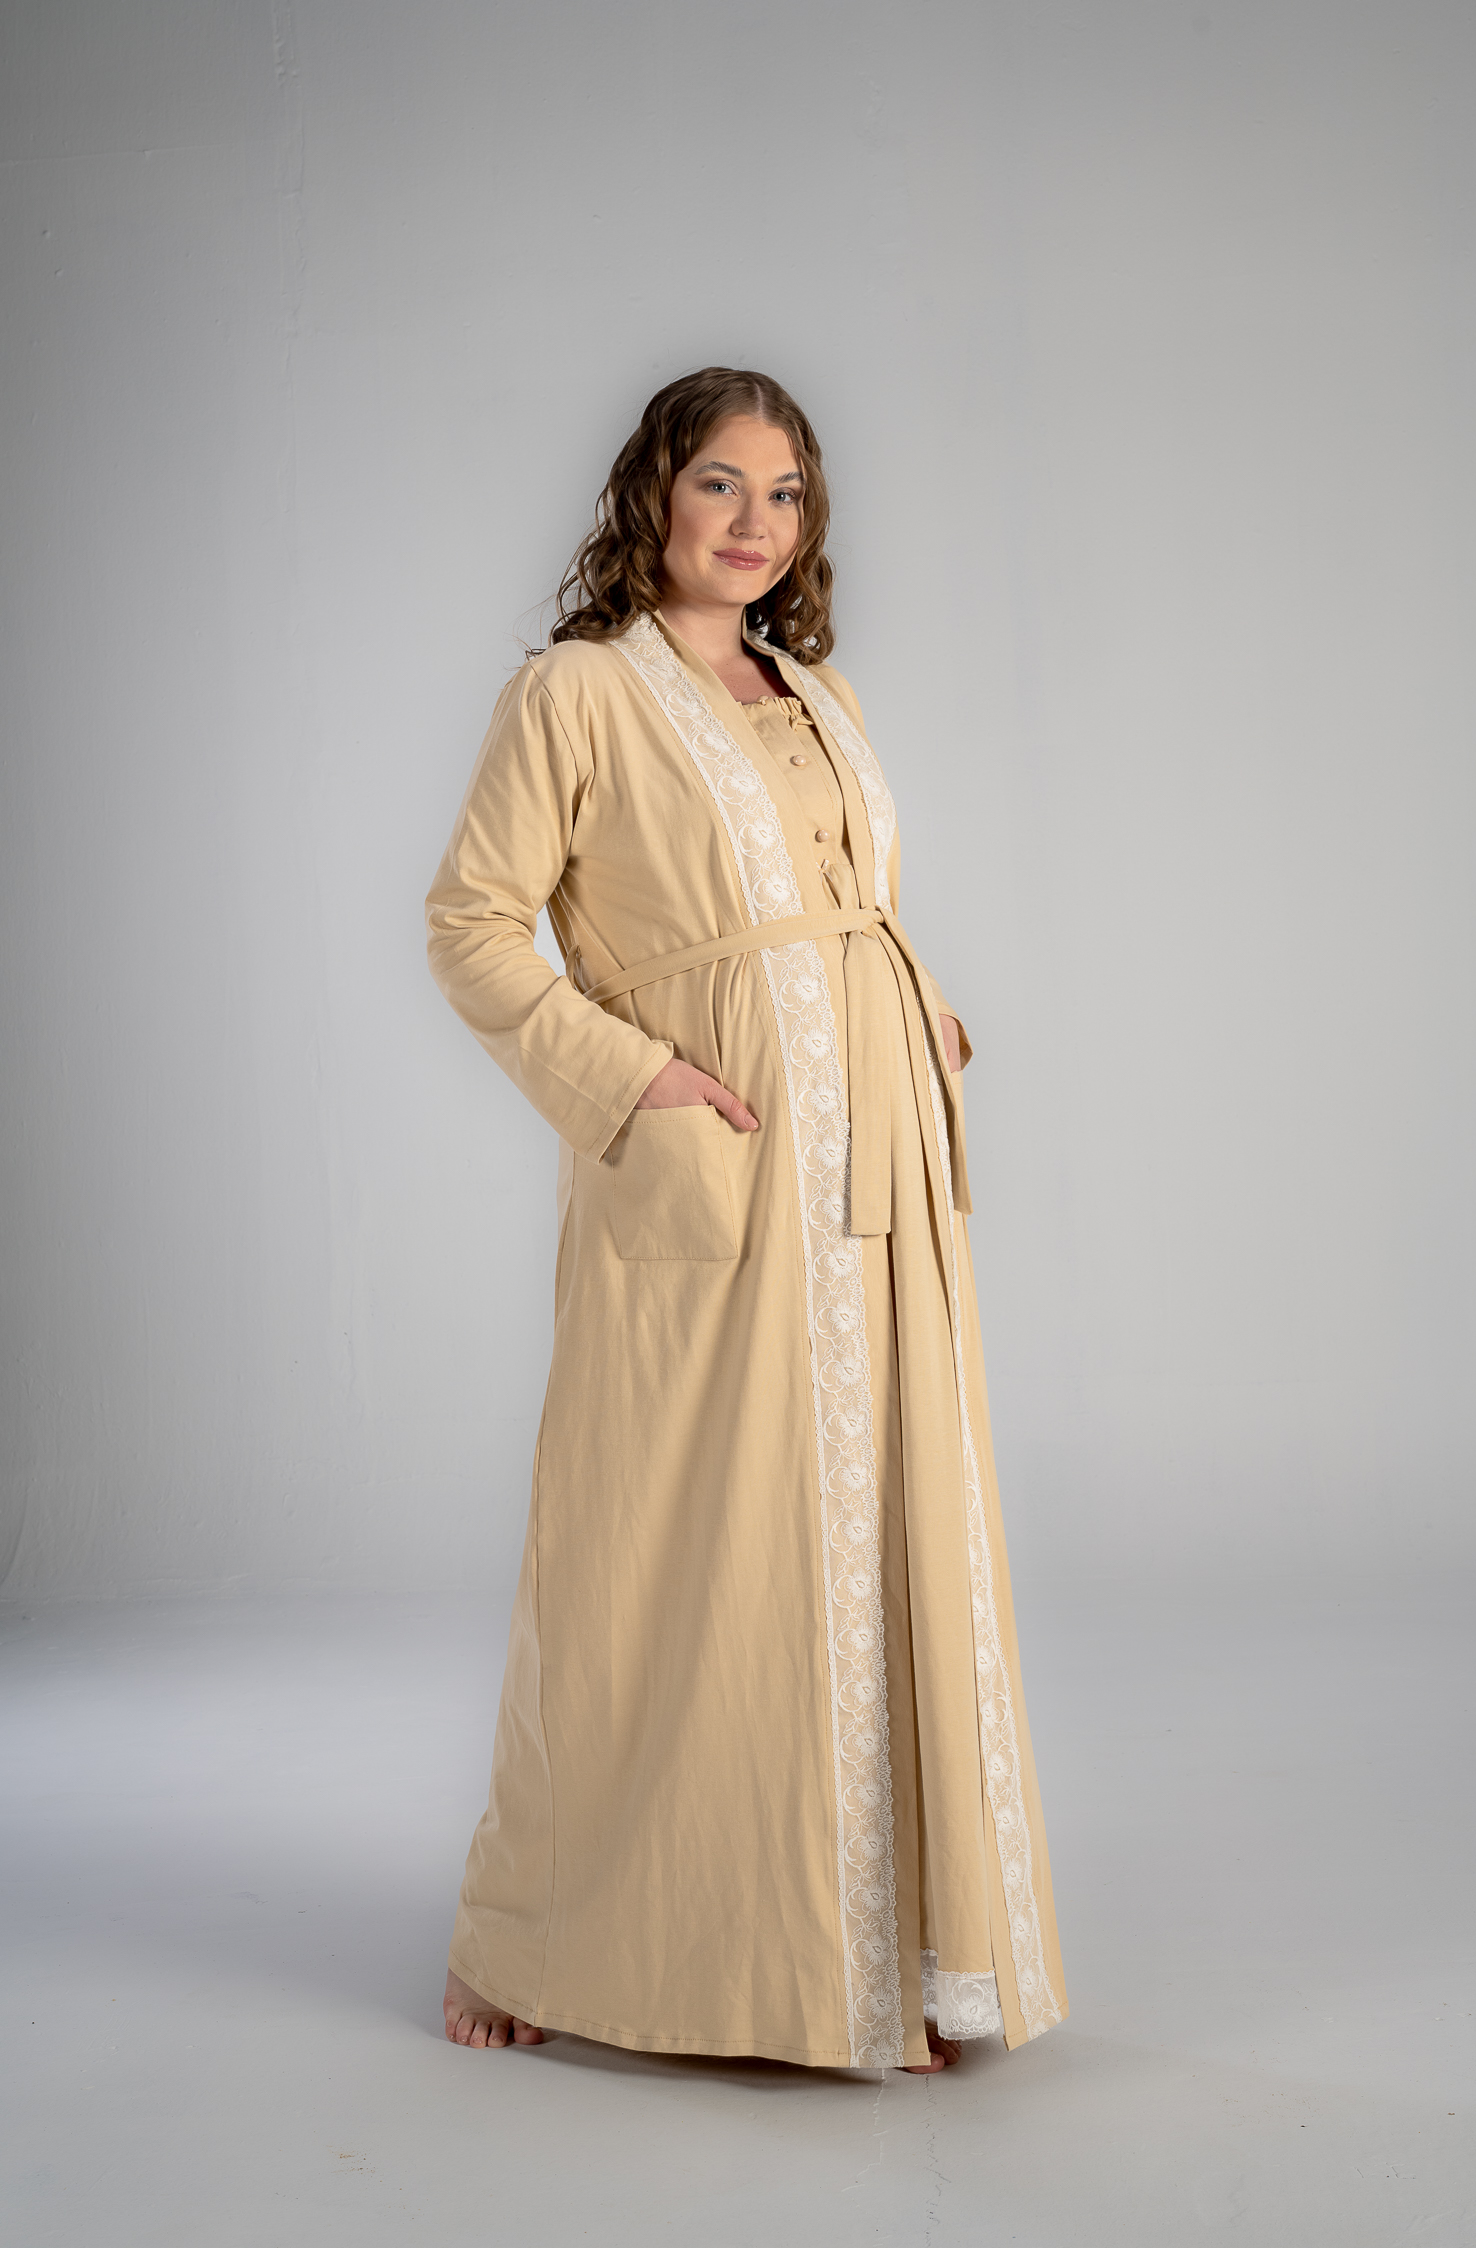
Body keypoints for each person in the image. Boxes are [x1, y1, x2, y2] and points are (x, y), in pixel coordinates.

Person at [426, 368, 1066, 2075]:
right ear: (653, 490)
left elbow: (838, 909)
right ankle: (543, 1933)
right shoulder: (576, 693)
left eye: (784, 494)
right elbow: (473, 926)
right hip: (716, 1170)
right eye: (720, 482)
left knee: (877, 1529)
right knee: (663, 1555)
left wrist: (916, 1014)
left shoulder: (814, 693)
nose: (753, 522)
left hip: (877, 1178)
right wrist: (629, 1078)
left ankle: (884, 1956)